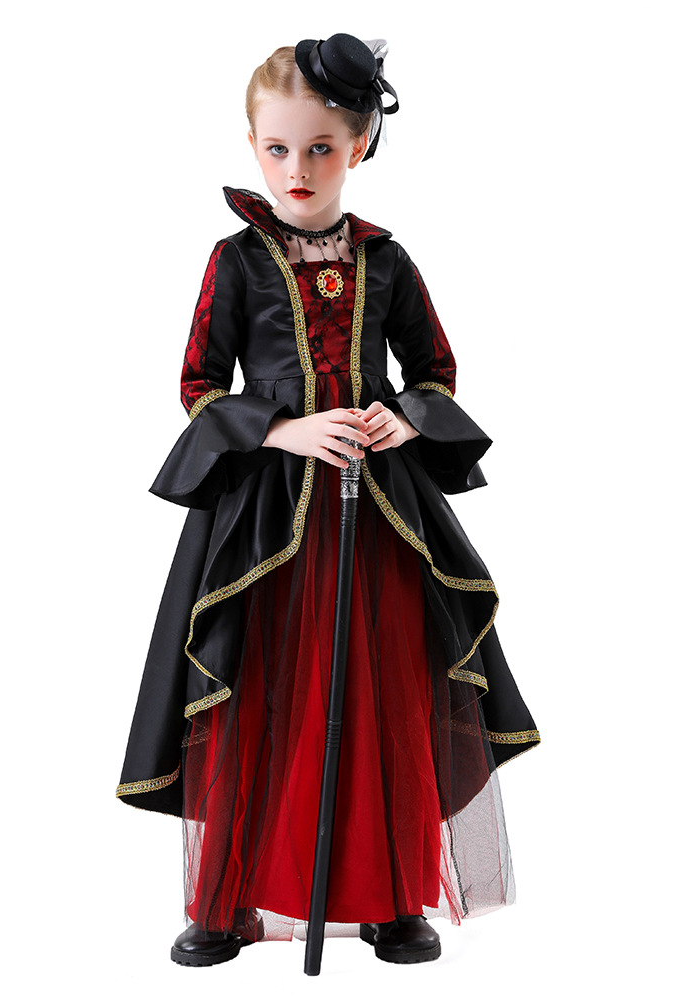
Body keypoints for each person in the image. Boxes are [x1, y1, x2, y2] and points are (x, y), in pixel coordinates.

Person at [116, 33, 540, 970]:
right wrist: (280, 430)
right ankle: (227, 902)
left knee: (380, 689)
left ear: (359, 146)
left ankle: (387, 898)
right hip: (265, 521)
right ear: (253, 145)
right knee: (258, 689)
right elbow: (199, 386)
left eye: (320, 148)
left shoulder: (388, 262)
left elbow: (434, 371)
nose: (297, 170)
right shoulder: (235, 261)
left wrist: (405, 417)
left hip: (377, 514)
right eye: (278, 148)